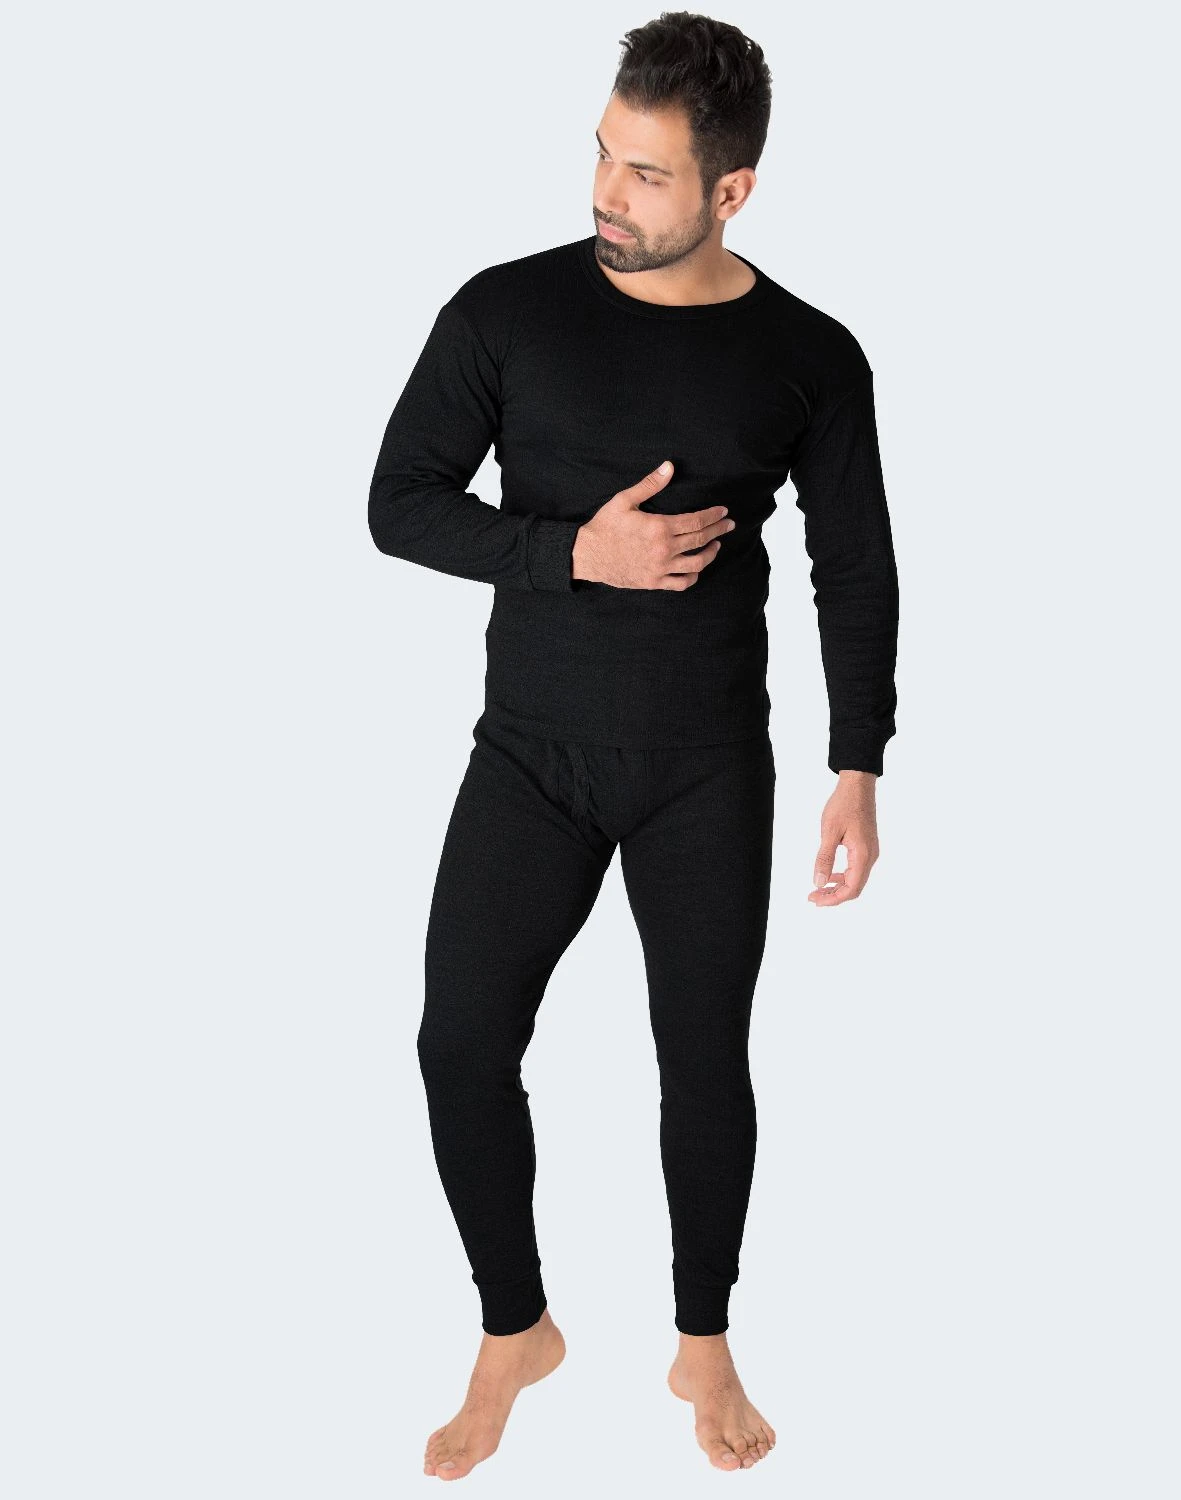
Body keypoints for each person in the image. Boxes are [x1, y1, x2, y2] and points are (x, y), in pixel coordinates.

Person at [368, 12, 899, 1480]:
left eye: (648, 174)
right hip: (530, 754)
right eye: (604, 153)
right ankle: (513, 1329)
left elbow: (854, 566)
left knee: (703, 1061)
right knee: (459, 1043)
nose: (607, 192)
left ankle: (703, 1343)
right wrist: (569, 555)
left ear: (733, 190)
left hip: (705, 767)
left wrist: (860, 761)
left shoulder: (811, 356)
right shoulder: (504, 311)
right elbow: (399, 501)